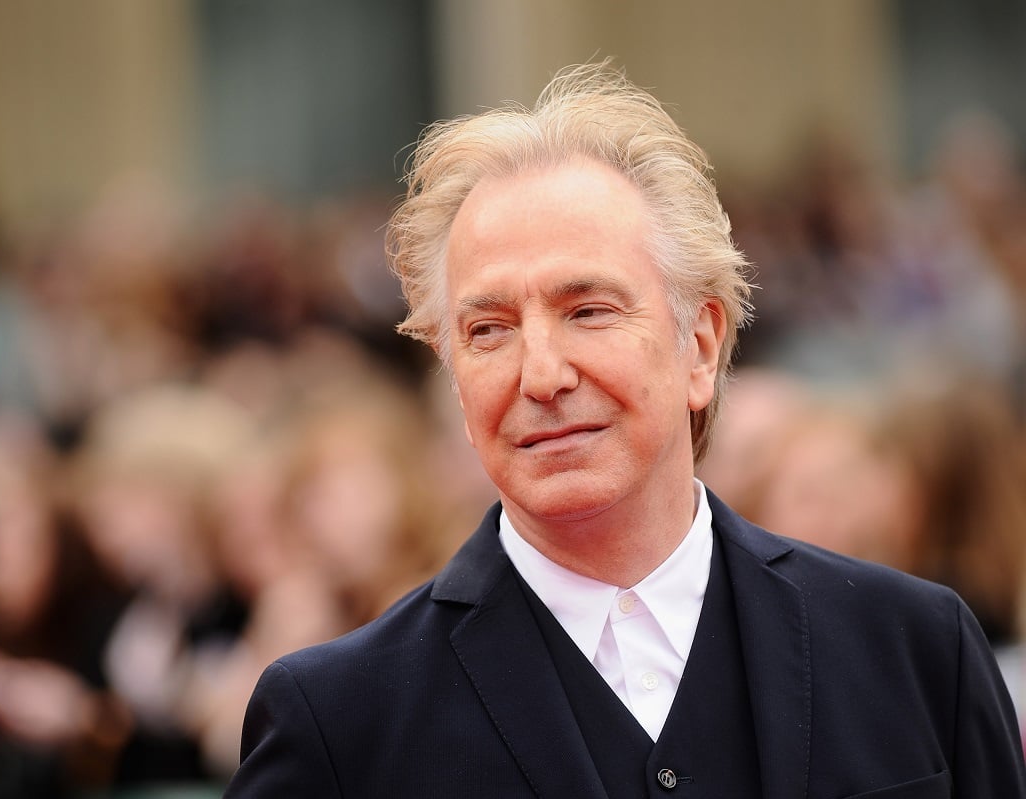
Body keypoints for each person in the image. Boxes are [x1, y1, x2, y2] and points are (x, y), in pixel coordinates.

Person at [224, 62, 1026, 798]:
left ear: (701, 344)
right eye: (489, 329)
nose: (541, 374)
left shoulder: (918, 651)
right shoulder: (339, 723)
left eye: (588, 311)